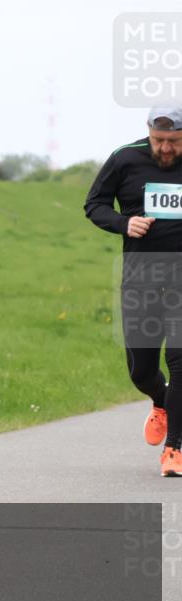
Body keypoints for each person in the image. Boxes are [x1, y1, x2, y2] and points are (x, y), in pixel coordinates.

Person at [85, 106, 182, 477]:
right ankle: (161, 400)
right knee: (141, 371)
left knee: (179, 359)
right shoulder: (125, 158)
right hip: (142, 277)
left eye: (174, 141)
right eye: (159, 140)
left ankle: (174, 449)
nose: (166, 148)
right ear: (148, 132)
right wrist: (124, 223)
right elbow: (94, 204)